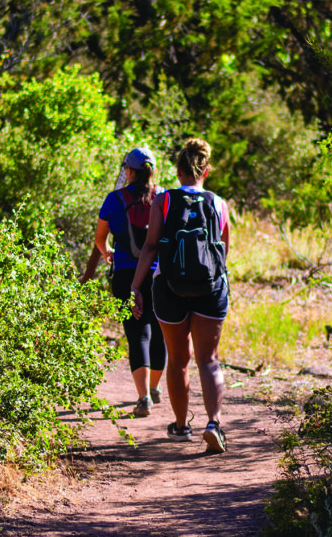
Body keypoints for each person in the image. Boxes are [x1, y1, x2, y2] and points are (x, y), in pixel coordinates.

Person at [129, 138, 230, 453]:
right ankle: (213, 423)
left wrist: (135, 287)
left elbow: (150, 246)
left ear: (178, 170)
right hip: (211, 288)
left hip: (169, 287)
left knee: (178, 359)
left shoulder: (164, 200)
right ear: (206, 170)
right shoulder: (219, 203)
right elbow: (224, 252)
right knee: (209, 360)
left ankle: (182, 426)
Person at [86, 147, 167, 417]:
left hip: (125, 276)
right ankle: (155, 389)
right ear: (152, 171)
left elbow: (99, 238)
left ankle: (143, 397)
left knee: (137, 334)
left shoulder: (114, 200)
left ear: (128, 171)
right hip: (158, 276)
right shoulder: (163, 198)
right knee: (159, 332)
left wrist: (108, 251)